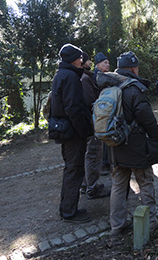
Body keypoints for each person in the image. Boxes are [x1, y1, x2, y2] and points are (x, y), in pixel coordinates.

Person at [96, 51, 158, 245]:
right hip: (137, 145)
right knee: (145, 182)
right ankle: (150, 221)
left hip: (115, 146)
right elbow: (145, 115)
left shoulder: (108, 85)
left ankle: (117, 225)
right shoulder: (134, 88)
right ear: (134, 68)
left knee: (117, 185)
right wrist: (156, 133)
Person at [50, 43, 93, 223]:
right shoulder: (70, 77)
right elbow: (73, 108)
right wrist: (84, 131)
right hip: (73, 133)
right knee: (74, 170)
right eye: (80, 57)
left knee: (71, 169)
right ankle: (68, 212)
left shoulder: (62, 74)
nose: (82, 60)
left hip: (66, 130)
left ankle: (68, 208)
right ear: (74, 60)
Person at [80, 52, 110, 199]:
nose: (89, 62)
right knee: (93, 154)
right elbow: (90, 101)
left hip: (89, 122)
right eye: (87, 60)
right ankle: (92, 188)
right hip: (91, 123)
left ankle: (86, 184)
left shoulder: (85, 77)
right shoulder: (85, 79)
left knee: (89, 155)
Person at [93, 52, 111, 176]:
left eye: (108, 63)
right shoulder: (95, 77)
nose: (108, 65)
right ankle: (104, 164)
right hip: (99, 112)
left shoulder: (104, 76)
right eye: (105, 63)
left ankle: (106, 162)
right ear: (98, 64)